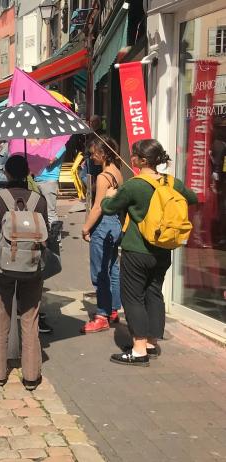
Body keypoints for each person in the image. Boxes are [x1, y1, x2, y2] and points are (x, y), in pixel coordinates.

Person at [101, 139, 197, 366]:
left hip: (137, 249)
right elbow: (191, 198)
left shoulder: (134, 185)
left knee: (133, 297)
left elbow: (108, 208)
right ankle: (152, 343)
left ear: (142, 160)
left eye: (134, 155)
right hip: (163, 249)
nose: (131, 158)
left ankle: (139, 350)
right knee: (154, 293)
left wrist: (110, 195)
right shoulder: (171, 182)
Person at [0, 155, 48, 391]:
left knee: (1, 318)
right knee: (30, 319)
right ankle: (31, 375)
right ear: (27, 173)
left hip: (2, 266)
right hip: (32, 266)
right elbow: (47, 232)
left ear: (7, 173)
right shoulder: (39, 200)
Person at [80, 136, 124, 333]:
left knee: (99, 272)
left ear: (103, 153)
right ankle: (113, 309)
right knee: (113, 268)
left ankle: (101, 315)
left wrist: (86, 227)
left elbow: (98, 207)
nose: (92, 156)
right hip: (115, 224)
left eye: (94, 152)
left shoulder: (103, 176)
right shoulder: (118, 173)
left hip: (103, 225)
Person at [34, 145, 67, 227]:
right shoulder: (43, 145)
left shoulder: (60, 146)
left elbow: (50, 161)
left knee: (50, 212)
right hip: (37, 179)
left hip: (49, 181)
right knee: (38, 211)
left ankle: (55, 238)